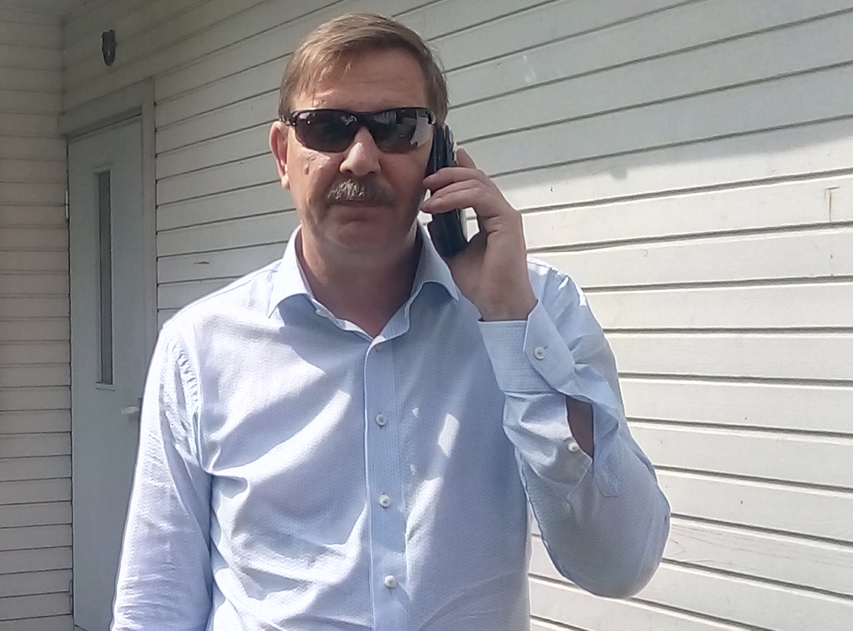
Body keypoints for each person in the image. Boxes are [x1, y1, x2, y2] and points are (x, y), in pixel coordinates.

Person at [112, 12, 670, 631]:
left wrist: (511, 322)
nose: (360, 159)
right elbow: (155, 603)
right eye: (327, 127)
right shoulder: (200, 347)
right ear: (282, 155)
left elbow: (619, 564)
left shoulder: (537, 309)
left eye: (397, 127)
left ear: (438, 154)